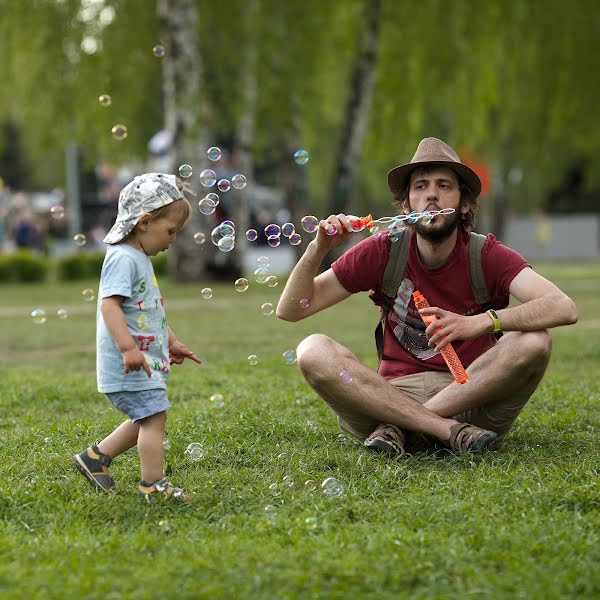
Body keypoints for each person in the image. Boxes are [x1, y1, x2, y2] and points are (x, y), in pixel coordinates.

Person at [276, 138, 578, 457]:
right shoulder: (383, 250)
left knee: (535, 342)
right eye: (420, 186)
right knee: (312, 350)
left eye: (444, 185)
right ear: (406, 205)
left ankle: (405, 429)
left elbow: (563, 307)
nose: (431, 194)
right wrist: (318, 248)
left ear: (463, 203)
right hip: (389, 399)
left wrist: (479, 323)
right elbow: (291, 309)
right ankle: (442, 431)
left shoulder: (486, 255)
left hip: (469, 398)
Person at [74, 173, 202, 500]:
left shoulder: (139, 258)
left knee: (146, 415)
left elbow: (149, 311)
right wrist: (128, 348)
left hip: (142, 362)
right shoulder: (122, 257)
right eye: (170, 231)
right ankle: (152, 484)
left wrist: (170, 341)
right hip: (129, 363)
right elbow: (109, 306)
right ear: (144, 222)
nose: (172, 240)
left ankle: (95, 458)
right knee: (154, 417)